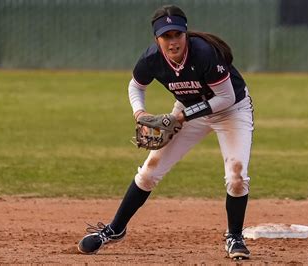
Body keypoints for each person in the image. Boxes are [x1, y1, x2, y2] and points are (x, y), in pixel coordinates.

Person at [78, 4, 254, 260]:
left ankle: (234, 236)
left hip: (231, 111)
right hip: (188, 110)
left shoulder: (204, 53)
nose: (173, 42)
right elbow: (135, 86)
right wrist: (140, 114)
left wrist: (180, 116)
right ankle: (115, 230)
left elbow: (225, 98)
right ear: (156, 38)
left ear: (185, 34)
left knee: (237, 177)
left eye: (177, 35)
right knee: (150, 172)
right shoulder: (151, 58)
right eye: (166, 36)